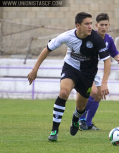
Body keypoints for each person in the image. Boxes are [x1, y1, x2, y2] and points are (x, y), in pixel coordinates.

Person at [27, 12, 111, 142]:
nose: (90, 26)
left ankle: (76, 118)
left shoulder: (96, 39)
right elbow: (47, 49)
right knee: (64, 92)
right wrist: (34, 69)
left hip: (88, 74)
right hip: (70, 67)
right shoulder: (67, 36)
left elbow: (107, 60)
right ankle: (54, 130)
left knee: (81, 108)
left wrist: (104, 83)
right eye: (87, 24)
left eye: (90, 23)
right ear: (78, 25)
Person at [79, 13, 119, 130]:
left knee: (99, 95)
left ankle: (88, 123)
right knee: (93, 91)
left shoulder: (108, 39)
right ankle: (80, 118)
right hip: (84, 69)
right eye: (101, 25)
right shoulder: (90, 37)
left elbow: (114, 52)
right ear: (96, 25)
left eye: (105, 25)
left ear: (109, 25)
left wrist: (118, 58)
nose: (103, 27)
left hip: (94, 71)